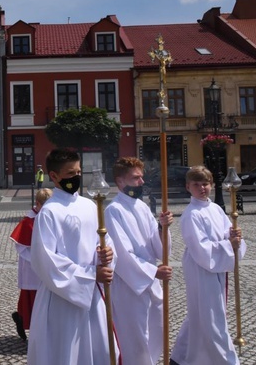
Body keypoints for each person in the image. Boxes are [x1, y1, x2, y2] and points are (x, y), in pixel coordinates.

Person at [27, 148, 119, 365]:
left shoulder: (90, 205)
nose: (76, 177)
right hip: (63, 298)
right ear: (54, 176)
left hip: (93, 294)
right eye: (70, 174)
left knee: (102, 352)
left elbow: (103, 240)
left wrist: (106, 254)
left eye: (78, 172)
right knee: (66, 354)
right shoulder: (50, 212)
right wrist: (90, 274)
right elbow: (46, 260)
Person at [171, 166, 246, 365]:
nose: (202, 188)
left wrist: (234, 236)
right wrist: (228, 245)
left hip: (217, 266)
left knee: (200, 313)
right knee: (212, 317)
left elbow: (226, 233)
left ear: (212, 185)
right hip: (200, 268)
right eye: (196, 184)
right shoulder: (191, 214)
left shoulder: (215, 209)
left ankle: (180, 356)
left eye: (205, 184)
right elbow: (201, 248)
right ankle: (227, 361)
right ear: (188, 187)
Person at [104, 157, 173, 365]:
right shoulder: (113, 210)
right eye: (136, 178)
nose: (141, 182)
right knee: (135, 338)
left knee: (155, 331)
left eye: (141, 177)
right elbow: (122, 254)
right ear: (120, 181)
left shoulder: (142, 206)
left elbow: (158, 248)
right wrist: (153, 271)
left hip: (151, 283)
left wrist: (163, 228)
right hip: (129, 286)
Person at [9, 187, 51, 341]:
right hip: (32, 267)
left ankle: (38, 327)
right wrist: (37, 258)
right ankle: (27, 324)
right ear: (37, 204)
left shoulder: (49, 217)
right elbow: (21, 246)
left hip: (47, 266)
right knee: (32, 298)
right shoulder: (28, 221)